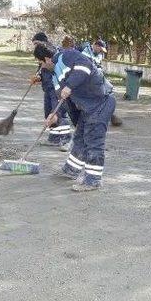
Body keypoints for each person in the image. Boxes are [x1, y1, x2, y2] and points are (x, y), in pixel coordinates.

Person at [34, 42, 116, 192]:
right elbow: (62, 101)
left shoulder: (67, 55)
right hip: (87, 107)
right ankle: (71, 169)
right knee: (79, 137)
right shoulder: (55, 78)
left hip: (101, 101)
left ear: (46, 59)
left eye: (40, 63)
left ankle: (93, 180)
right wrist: (55, 115)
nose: (41, 67)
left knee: (93, 141)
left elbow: (85, 67)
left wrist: (70, 85)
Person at [30, 32, 71, 150]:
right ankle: (54, 138)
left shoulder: (52, 54)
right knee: (49, 113)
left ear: (43, 41)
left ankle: (66, 139)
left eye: (37, 43)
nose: (35, 46)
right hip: (47, 88)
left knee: (58, 113)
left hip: (56, 89)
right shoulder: (42, 54)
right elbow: (42, 71)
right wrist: (38, 78)